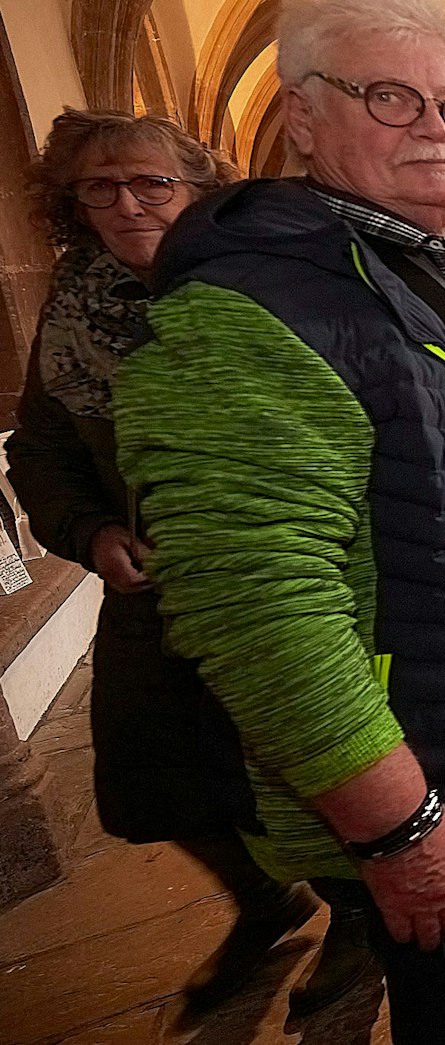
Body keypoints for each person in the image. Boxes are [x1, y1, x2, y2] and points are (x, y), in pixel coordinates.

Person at [112, 0, 445, 1044]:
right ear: (301, 116)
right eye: (388, 97)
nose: (436, 129)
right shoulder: (259, 305)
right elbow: (258, 607)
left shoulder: (442, 263)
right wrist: (400, 827)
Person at [9, 109, 376, 1024]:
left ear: (200, 193)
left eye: (152, 184)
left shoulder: (259, 287)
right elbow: (45, 446)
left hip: (269, 578)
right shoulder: (72, 308)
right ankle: (264, 899)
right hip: (151, 585)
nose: (127, 203)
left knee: (302, 762)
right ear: (71, 201)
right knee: (146, 780)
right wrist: (91, 530)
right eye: (101, 186)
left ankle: (360, 918)